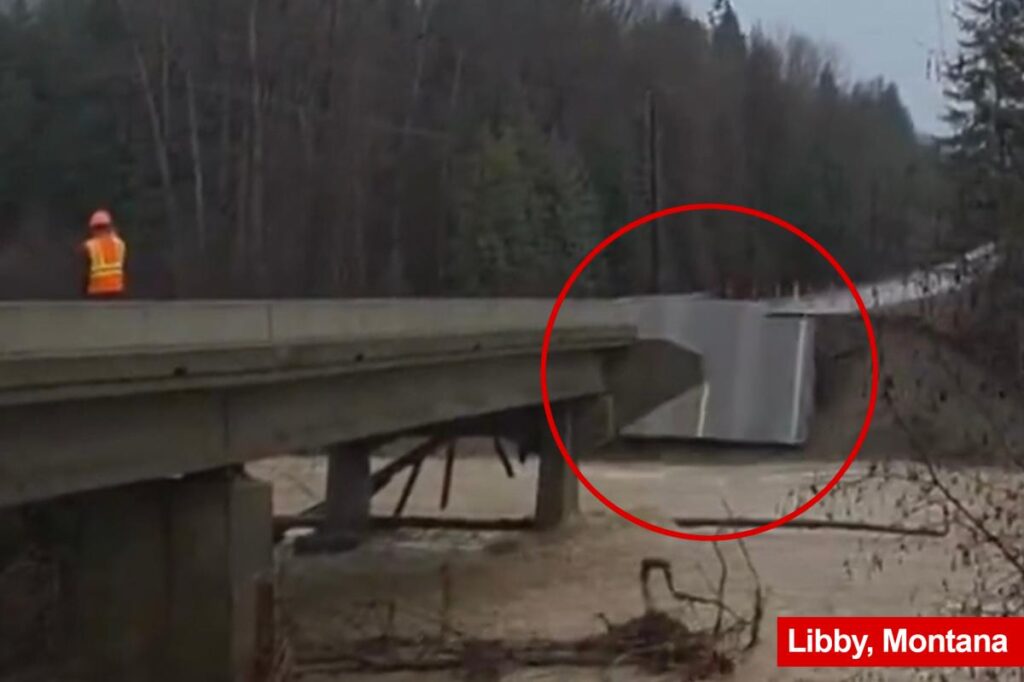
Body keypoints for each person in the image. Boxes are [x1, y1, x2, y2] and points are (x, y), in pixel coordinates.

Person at [82, 209, 126, 298]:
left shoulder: (89, 246)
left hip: (96, 291)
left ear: (93, 228)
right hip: (117, 290)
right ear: (109, 226)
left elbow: (84, 271)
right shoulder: (120, 244)